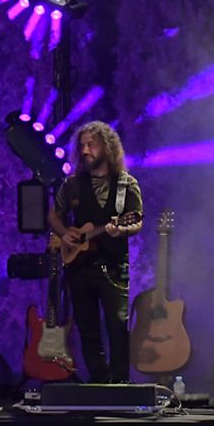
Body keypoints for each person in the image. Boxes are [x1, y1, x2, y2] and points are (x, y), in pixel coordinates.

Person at [47, 122, 144, 383]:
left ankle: (121, 384)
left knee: (117, 326)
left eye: (92, 144)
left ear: (107, 147)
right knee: (87, 329)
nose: (85, 149)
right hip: (79, 268)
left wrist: (121, 230)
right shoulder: (72, 185)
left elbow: (136, 221)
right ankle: (100, 382)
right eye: (82, 145)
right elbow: (53, 215)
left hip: (113, 267)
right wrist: (65, 232)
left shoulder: (126, 184)